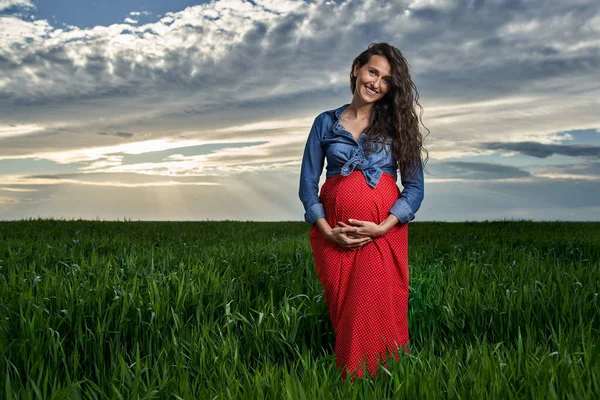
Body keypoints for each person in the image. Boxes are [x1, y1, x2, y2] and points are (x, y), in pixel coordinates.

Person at [298, 42, 428, 381]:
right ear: (356, 68)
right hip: (334, 236)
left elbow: (414, 188)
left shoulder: (396, 124)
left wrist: (383, 227)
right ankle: (363, 380)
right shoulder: (324, 123)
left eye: (386, 80)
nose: (377, 83)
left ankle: (364, 379)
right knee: (345, 309)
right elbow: (307, 183)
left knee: (372, 305)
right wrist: (327, 229)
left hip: (381, 234)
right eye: (373, 72)